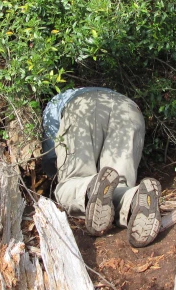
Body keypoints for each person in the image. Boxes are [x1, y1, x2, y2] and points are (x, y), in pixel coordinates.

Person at [41, 87, 162, 247]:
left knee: (68, 185)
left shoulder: (53, 105)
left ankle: (90, 188)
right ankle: (133, 198)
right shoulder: (107, 93)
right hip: (129, 109)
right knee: (119, 184)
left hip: (82, 107)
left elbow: (51, 154)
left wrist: (53, 174)